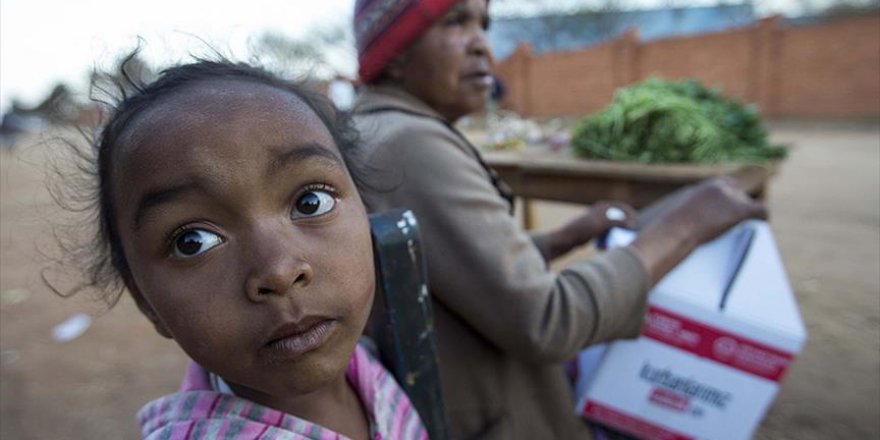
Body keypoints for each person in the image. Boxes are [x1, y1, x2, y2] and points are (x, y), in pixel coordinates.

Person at [349, 0, 767, 439]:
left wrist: (557, 240)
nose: (482, 47)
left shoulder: (376, 129)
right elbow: (547, 320)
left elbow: (441, 269)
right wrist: (687, 224)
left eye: (484, 25)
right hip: (503, 418)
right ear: (393, 53)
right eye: (455, 22)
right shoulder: (413, 144)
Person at [54, 57, 427, 440]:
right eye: (192, 242)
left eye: (311, 202)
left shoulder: (364, 363)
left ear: (363, 206)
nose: (279, 271)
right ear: (145, 301)